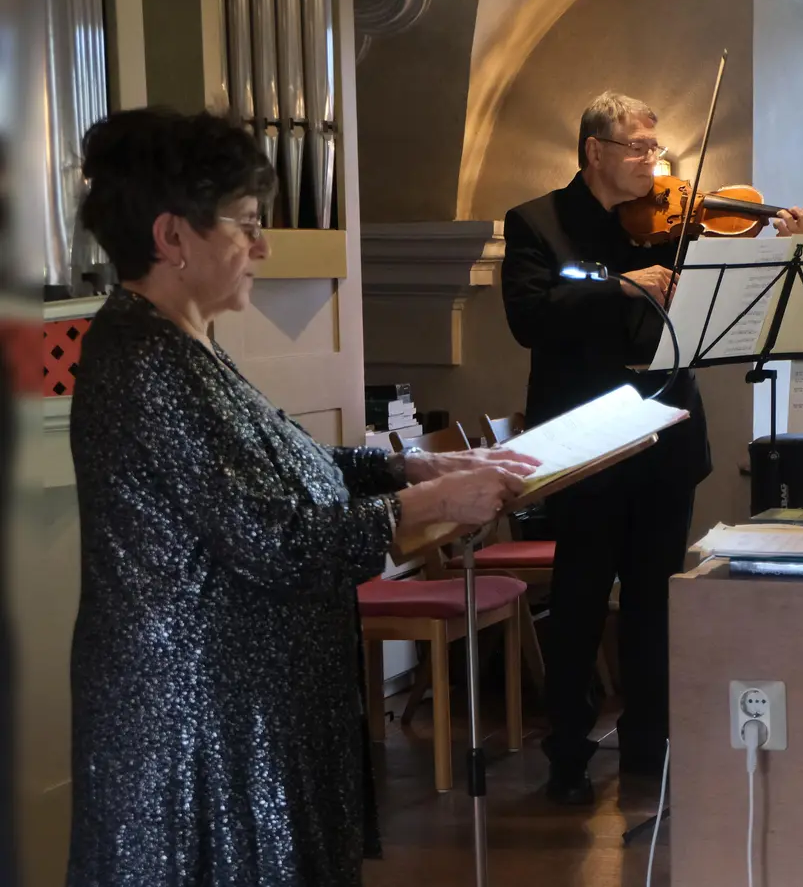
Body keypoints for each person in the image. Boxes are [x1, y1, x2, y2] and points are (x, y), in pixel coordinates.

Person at [66, 107, 539, 886]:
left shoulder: (183, 345)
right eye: (247, 224)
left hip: (239, 702)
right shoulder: (144, 359)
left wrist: (402, 471)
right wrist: (431, 508)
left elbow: (275, 466)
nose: (263, 247)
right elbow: (272, 538)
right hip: (193, 721)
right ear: (172, 236)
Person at [501, 91, 803, 804]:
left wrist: (784, 243)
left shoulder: (676, 226)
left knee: (655, 599)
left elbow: (729, 294)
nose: (655, 163)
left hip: (668, 432)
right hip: (586, 441)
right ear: (595, 152)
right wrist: (619, 286)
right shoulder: (537, 223)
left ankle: (651, 744)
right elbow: (529, 317)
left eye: (657, 149)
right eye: (640, 149)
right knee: (582, 597)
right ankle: (567, 752)